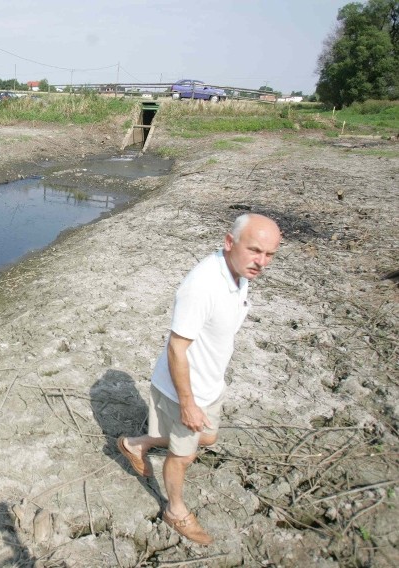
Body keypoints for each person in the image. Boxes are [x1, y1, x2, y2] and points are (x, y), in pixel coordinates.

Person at [118, 213, 281, 545]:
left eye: (269, 254)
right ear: (229, 242)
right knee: (183, 456)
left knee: (206, 439)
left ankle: (136, 444)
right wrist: (188, 403)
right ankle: (175, 511)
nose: (261, 262)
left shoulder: (240, 274)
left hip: (210, 385)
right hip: (183, 390)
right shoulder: (202, 285)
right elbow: (177, 348)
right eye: (254, 251)